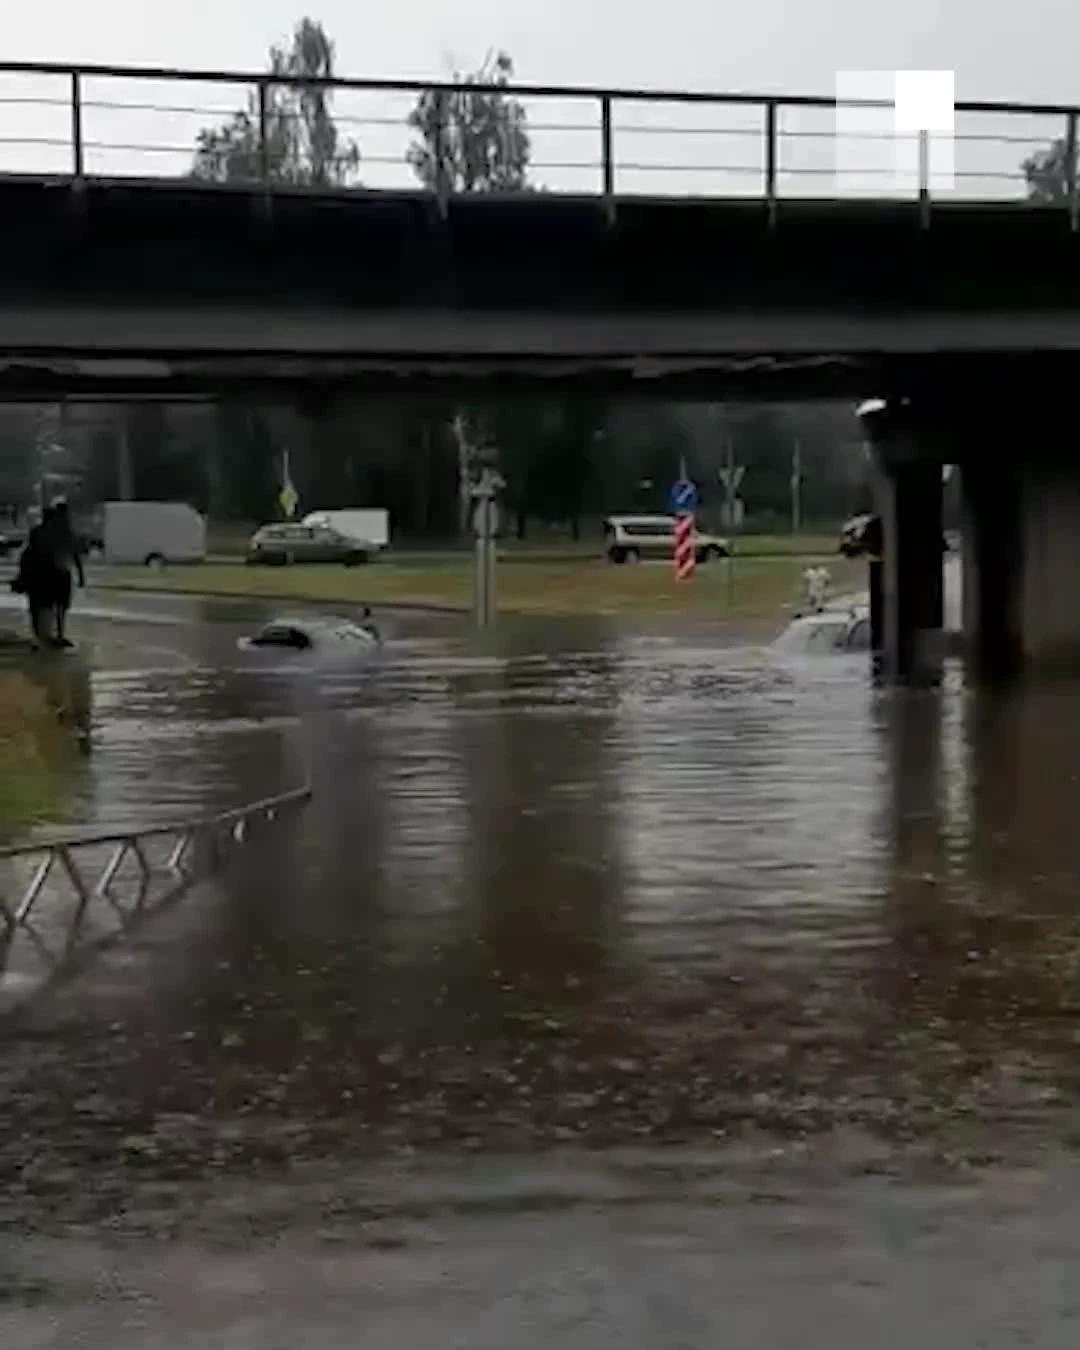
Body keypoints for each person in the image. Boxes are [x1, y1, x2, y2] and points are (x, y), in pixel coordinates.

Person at [39, 500, 84, 648]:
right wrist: (80, 573)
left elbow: (74, 553)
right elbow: (75, 554)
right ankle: (57, 634)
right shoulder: (65, 532)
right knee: (59, 606)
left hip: (55, 572)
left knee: (56, 605)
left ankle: (54, 634)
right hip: (59, 572)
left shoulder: (53, 531)